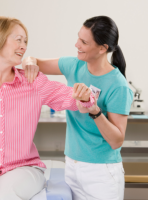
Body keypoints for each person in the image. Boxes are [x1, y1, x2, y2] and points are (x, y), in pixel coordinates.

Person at [0, 16, 92, 200]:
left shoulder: (33, 81)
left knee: (4, 196)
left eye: (25, 41)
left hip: (23, 169)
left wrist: (85, 95)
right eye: (18, 40)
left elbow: (74, 100)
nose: (24, 46)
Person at [22, 16, 133, 200]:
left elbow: (116, 140)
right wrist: (28, 63)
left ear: (102, 48)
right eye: (78, 38)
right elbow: (32, 60)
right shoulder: (74, 65)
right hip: (72, 168)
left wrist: (94, 110)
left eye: (83, 42)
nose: (76, 45)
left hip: (101, 174)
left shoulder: (118, 85)